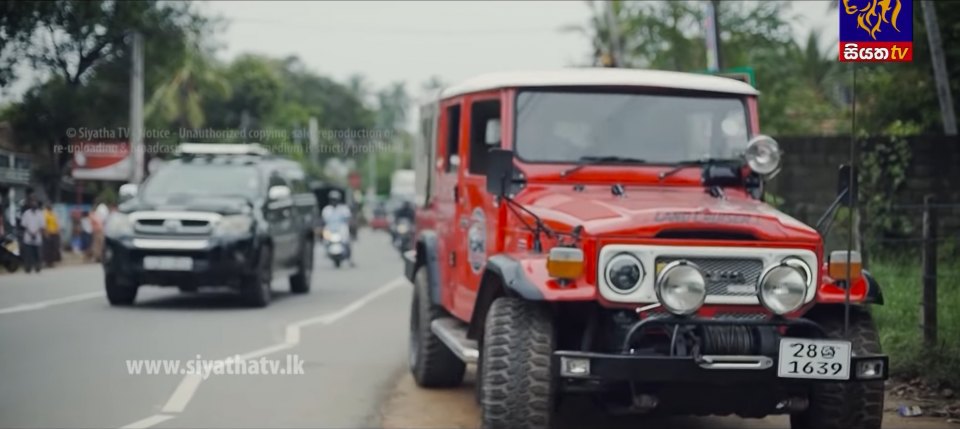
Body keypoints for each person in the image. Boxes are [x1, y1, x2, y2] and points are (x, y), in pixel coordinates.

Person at [321, 190, 355, 267]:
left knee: (347, 241)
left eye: (335, 200)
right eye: (333, 200)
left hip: (341, 229)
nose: (334, 202)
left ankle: (350, 259)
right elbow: (323, 220)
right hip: (330, 229)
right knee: (325, 240)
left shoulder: (343, 209)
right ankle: (327, 252)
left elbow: (348, 219)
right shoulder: (326, 210)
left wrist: (351, 225)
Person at [19, 198, 44, 273]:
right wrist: (30, 233)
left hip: (37, 237)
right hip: (28, 236)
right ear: (30, 205)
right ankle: (28, 268)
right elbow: (24, 225)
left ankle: (38, 267)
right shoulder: (27, 213)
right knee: (28, 254)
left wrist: (35, 233)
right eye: (33, 204)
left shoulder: (40, 214)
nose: (34, 205)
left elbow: (42, 226)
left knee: (37, 254)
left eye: (35, 204)